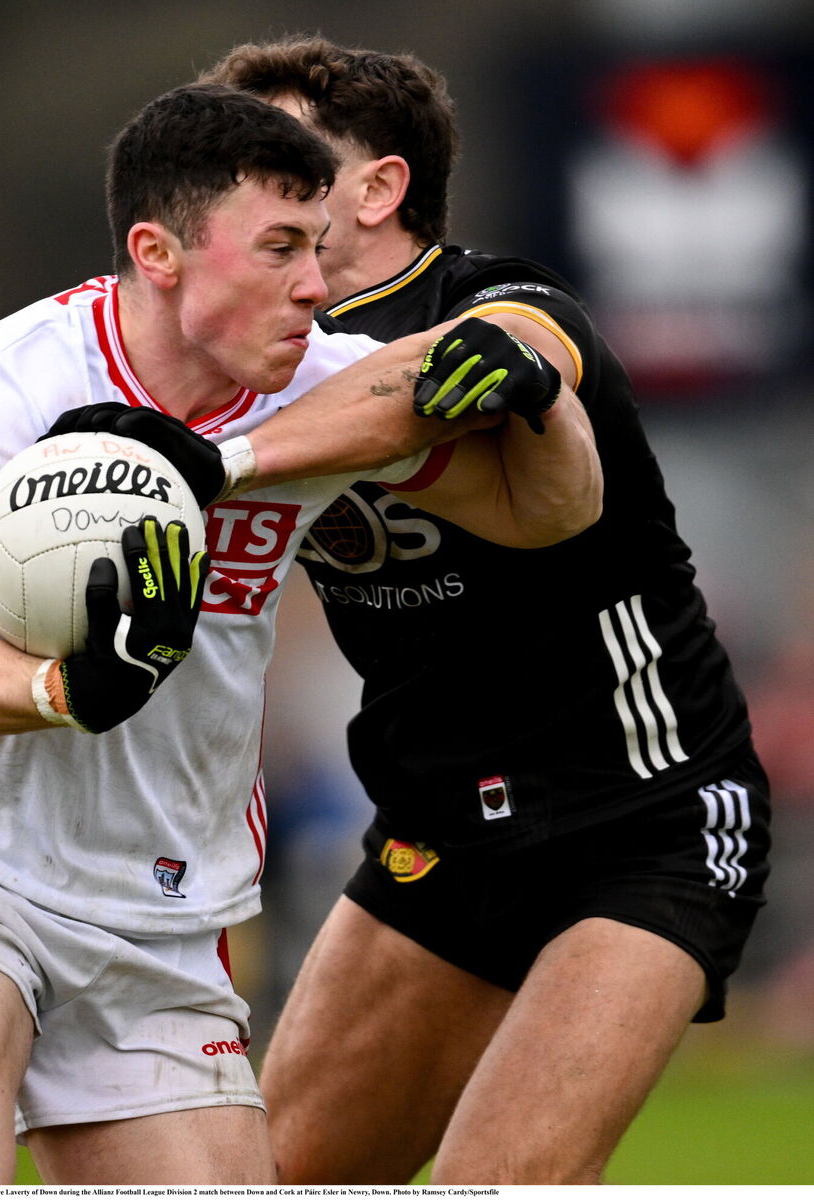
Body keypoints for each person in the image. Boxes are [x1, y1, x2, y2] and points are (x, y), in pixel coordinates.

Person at [0, 83, 601, 1186]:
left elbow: (551, 509)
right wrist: (64, 689)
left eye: (321, 247)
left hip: (163, 919)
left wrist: (543, 402)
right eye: (282, 248)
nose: (315, 284)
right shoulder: (25, 371)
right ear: (159, 252)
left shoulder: (329, 390)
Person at [200, 38, 772, 1185]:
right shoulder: (252, 360)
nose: (241, 178)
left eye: (279, 153)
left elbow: (524, 340)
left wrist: (508, 372)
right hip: (433, 836)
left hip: (642, 826)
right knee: (268, 1185)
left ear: (377, 187)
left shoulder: (496, 302)